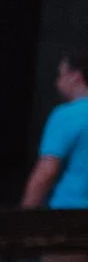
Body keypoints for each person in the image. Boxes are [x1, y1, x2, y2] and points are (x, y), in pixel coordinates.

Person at [22, 46, 88, 209]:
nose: (57, 82)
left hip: (69, 212)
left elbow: (47, 170)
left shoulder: (67, 115)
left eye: (60, 74)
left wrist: (24, 214)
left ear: (75, 77)